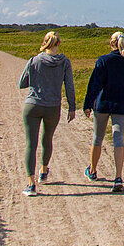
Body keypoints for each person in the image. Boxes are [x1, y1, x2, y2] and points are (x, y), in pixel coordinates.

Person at [17, 31, 76, 197]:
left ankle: (31, 184)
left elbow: (22, 83)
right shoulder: (65, 62)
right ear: (58, 44)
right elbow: (69, 87)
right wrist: (72, 107)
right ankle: (43, 171)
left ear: (44, 43)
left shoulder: (34, 60)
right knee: (47, 138)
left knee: (31, 143)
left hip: (33, 105)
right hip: (52, 107)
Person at [83, 30, 124, 193]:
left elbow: (95, 84)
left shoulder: (103, 60)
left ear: (111, 43)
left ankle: (92, 171)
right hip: (121, 103)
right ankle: (118, 177)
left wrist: (88, 103)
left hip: (102, 103)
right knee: (118, 139)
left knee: (98, 137)